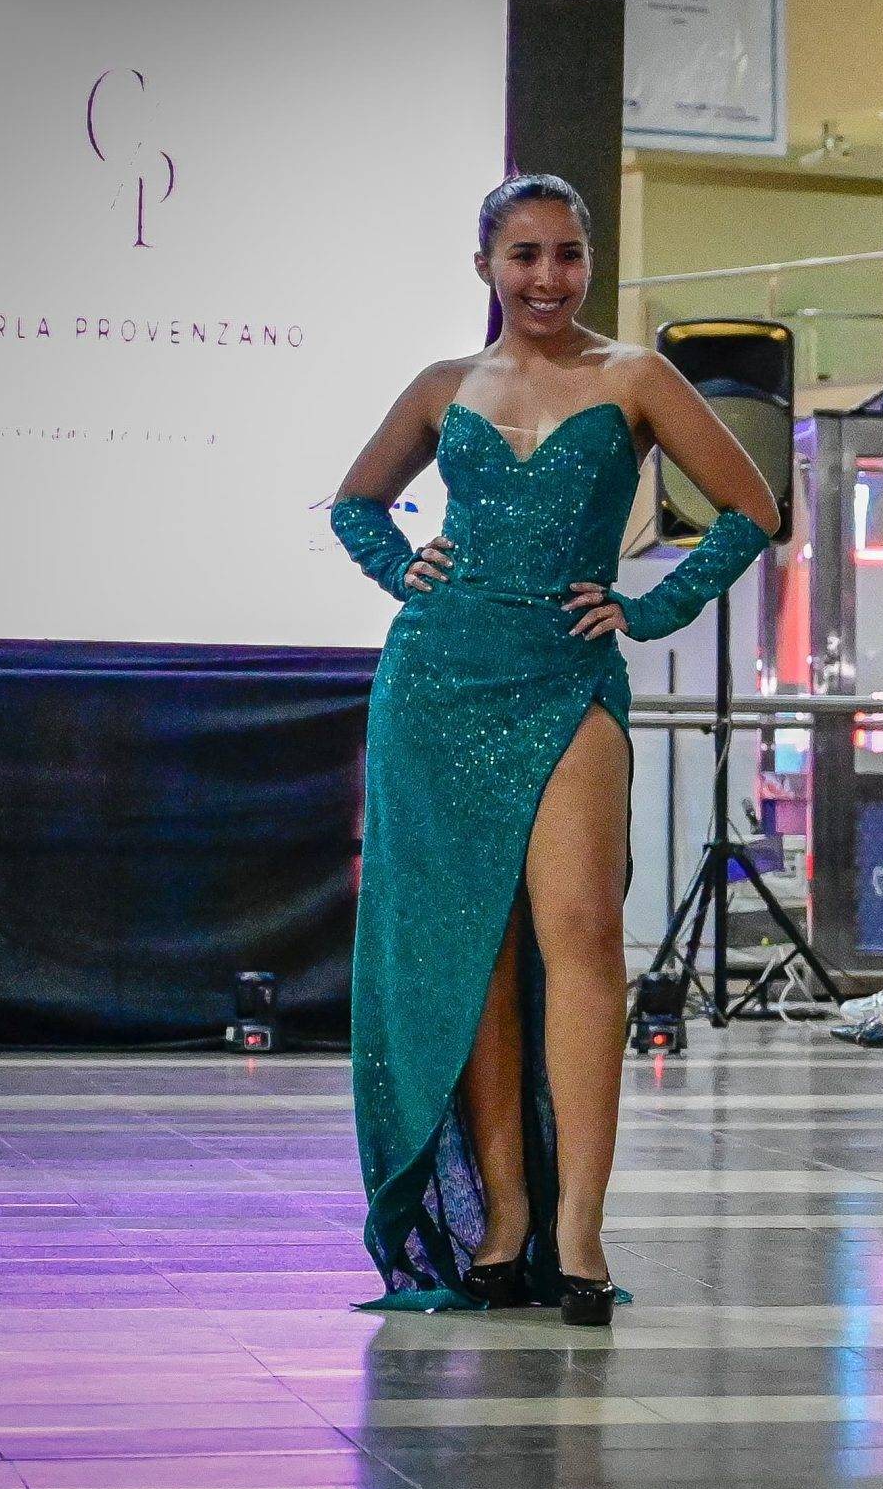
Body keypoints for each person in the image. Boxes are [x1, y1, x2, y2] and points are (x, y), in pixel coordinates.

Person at [328, 174, 780, 1322]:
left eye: (567, 254)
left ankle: (579, 1223)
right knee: (474, 946)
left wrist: (651, 608)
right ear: (482, 264)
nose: (546, 276)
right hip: (436, 679)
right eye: (523, 253)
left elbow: (753, 509)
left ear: (590, 261)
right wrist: (399, 568)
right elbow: (354, 506)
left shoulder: (633, 376)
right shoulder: (442, 387)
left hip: (568, 671)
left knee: (580, 931)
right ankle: (508, 1212)